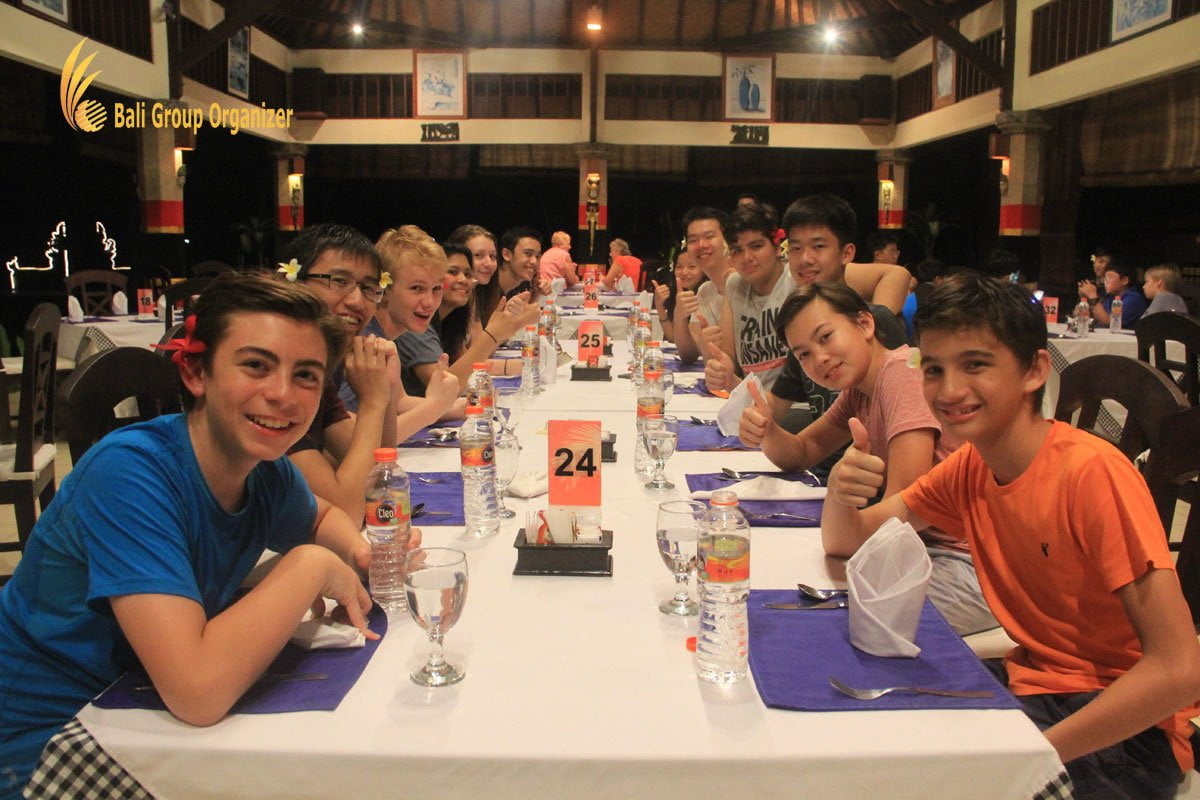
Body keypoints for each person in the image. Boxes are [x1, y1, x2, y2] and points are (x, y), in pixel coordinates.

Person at [0, 273, 420, 797]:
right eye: (256, 365)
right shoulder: (129, 472)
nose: (283, 395)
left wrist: (366, 552)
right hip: (51, 745)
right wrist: (310, 566)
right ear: (196, 372)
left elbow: (320, 518)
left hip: (143, 708)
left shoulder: (265, 471)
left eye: (306, 375)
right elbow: (197, 691)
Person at [823, 274, 1200, 798]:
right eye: (934, 369)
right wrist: (841, 492)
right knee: (870, 742)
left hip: (1124, 729)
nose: (949, 390)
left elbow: (1179, 669)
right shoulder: (972, 467)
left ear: (1034, 370)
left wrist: (1030, 757)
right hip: (1035, 685)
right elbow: (852, 539)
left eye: (975, 365)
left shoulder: (1090, 474)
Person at [738, 282, 995, 635]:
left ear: (865, 324)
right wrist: (768, 428)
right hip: (918, 552)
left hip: (968, 563)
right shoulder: (860, 390)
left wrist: (842, 512)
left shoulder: (901, 374)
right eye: (804, 354)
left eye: (825, 337)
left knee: (830, 627)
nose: (819, 359)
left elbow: (901, 515)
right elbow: (802, 453)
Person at [281, 224, 455, 522]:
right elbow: (348, 508)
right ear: (294, 281)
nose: (356, 300)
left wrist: (383, 392)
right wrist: (377, 401)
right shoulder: (284, 374)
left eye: (367, 288)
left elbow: (378, 464)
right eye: (339, 281)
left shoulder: (318, 368)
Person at [734, 193, 911, 456]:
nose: (804, 258)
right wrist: (756, 421)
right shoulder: (803, 336)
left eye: (818, 246)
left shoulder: (876, 324)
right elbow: (791, 431)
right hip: (827, 467)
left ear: (847, 253)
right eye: (795, 248)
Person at [401, 241, 540, 393]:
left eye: (468, 274)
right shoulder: (415, 323)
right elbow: (445, 388)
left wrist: (522, 364)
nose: (463, 280)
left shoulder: (453, 318)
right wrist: (493, 334)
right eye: (452, 272)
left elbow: (471, 364)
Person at [703, 203, 794, 392]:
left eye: (756, 246)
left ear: (777, 247)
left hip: (796, 405)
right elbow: (728, 358)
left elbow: (861, 274)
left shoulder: (796, 279)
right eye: (737, 250)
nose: (747, 257)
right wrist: (720, 370)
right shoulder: (734, 284)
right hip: (750, 400)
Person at [674, 206, 734, 365]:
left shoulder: (744, 283)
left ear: (727, 240)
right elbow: (689, 354)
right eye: (693, 240)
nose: (701, 245)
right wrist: (679, 316)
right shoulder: (705, 291)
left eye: (709, 236)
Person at [448, 224, 501, 326]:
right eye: (478, 255)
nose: (489, 263)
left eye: (492, 256)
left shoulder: (479, 293)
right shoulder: (451, 299)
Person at [652, 249, 707, 343]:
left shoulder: (706, 295)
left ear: (704, 269)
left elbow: (689, 344)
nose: (684, 272)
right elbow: (673, 337)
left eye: (692, 266)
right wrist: (660, 307)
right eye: (679, 267)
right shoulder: (680, 294)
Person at [1078, 260, 1146, 329]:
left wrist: (1092, 296)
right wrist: (1085, 299)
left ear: (1124, 280)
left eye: (1110, 277)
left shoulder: (1134, 298)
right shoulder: (1111, 297)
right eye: (1105, 278)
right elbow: (1094, 319)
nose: (1105, 281)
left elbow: (1108, 323)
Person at [497, 226, 549, 301]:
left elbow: (527, 307)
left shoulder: (523, 283)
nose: (534, 262)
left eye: (537, 256)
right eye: (528, 253)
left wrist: (536, 293)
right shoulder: (485, 288)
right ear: (506, 254)